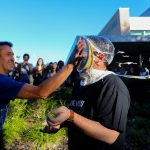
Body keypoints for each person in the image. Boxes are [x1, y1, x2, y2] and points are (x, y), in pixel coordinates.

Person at [44, 36, 130, 150]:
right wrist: (60, 123)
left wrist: (71, 116)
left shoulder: (112, 84)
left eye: (84, 51)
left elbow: (111, 136)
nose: (79, 56)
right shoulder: (82, 82)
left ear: (100, 56)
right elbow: (82, 116)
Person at [0, 40, 84, 148]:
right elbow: (41, 92)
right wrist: (70, 65)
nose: (12, 58)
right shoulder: (2, 82)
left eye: (13, 54)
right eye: (8, 54)